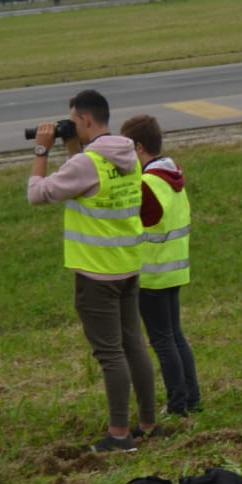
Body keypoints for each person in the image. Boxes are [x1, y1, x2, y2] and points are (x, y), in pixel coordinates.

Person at [26, 89, 159, 452]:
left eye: (73, 119)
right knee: (133, 344)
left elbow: (37, 194)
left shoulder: (87, 163)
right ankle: (147, 422)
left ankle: (119, 434)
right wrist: (72, 146)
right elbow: (87, 183)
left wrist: (41, 150)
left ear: (84, 120)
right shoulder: (126, 153)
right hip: (127, 267)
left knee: (110, 353)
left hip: (96, 274)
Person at [120, 115, 201, 418]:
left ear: (139, 147)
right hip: (173, 268)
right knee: (175, 335)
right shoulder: (171, 176)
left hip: (153, 274)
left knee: (163, 340)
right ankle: (191, 397)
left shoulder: (148, 183)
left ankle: (178, 403)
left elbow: (141, 219)